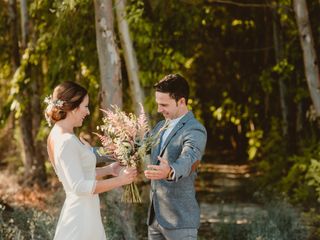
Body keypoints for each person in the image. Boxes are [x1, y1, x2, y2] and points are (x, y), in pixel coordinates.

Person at [45, 81, 137, 240]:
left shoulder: (56, 135)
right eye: (85, 106)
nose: (87, 112)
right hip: (81, 219)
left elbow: (77, 176)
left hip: (85, 212)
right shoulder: (66, 141)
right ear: (73, 108)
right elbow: (80, 187)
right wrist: (121, 180)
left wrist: (109, 170)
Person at [144, 74, 207, 240]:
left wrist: (170, 170)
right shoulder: (159, 126)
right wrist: (95, 153)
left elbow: (190, 157)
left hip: (180, 222)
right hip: (155, 221)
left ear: (181, 101)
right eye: (158, 104)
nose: (159, 109)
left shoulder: (195, 129)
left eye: (164, 104)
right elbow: (138, 147)